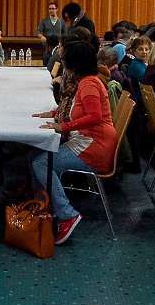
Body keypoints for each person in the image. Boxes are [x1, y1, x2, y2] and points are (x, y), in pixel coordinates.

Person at [30, 40, 116, 245]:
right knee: (36, 156)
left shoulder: (89, 84)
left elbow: (94, 116)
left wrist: (63, 126)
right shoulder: (87, 81)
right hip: (90, 141)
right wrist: (53, 114)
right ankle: (45, 206)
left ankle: (66, 214)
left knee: (40, 163)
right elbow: (77, 110)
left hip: (94, 146)